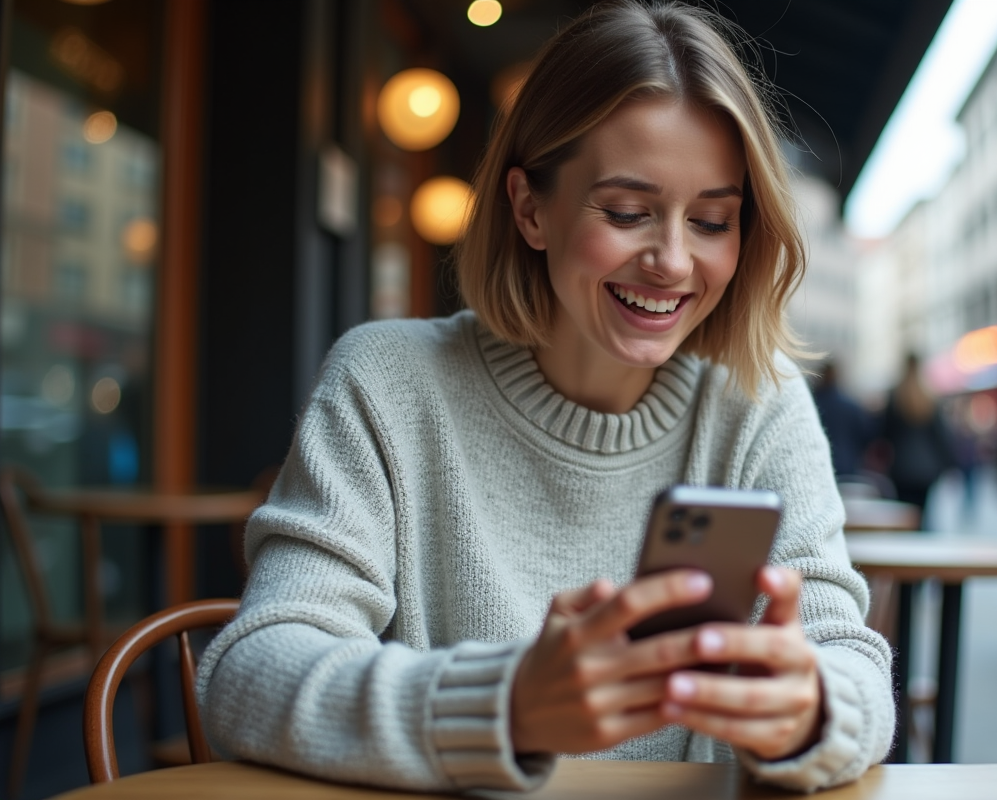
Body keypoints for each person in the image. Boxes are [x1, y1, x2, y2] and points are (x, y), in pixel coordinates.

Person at [195, 3, 893, 794]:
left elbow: (850, 661)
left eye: (711, 220)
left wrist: (809, 713)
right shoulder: (386, 383)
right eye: (628, 212)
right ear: (530, 208)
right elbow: (248, 674)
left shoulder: (757, 403)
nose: (672, 260)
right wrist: (509, 706)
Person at [881, 353, 954, 518]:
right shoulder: (929, 396)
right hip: (927, 468)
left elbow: (885, 433)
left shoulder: (896, 396)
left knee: (904, 515)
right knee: (922, 514)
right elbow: (940, 436)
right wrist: (948, 464)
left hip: (901, 466)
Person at [812, 361, 876, 478]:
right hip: (848, 464)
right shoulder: (851, 405)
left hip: (819, 465)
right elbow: (867, 435)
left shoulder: (813, 404)